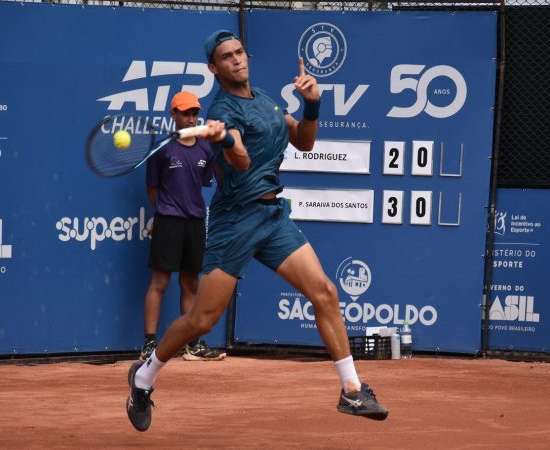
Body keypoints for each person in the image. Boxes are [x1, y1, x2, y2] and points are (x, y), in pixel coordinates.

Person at [126, 29, 388, 432]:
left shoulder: (265, 100)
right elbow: (243, 161)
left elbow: (303, 141)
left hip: (272, 216)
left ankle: (351, 390)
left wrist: (313, 104)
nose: (237, 59)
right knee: (201, 321)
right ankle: (144, 378)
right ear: (214, 68)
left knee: (325, 292)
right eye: (227, 56)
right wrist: (227, 137)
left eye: (240, 52)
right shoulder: (223, 112)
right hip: (235, 222)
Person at [140, 91, 226, 362]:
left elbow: (201, 183)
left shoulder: (206, 148)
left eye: (194, 113)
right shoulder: (162, 147)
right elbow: (153, 189)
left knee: (191, 283)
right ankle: (149, 344)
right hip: (169, 222)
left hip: (196, 222)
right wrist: (164, 212)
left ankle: (193, 345)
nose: (191, 118)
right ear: (173, 114)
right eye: (185, 113)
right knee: (160, 282)